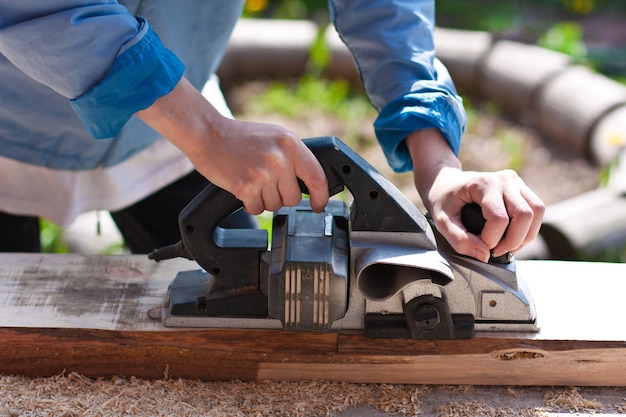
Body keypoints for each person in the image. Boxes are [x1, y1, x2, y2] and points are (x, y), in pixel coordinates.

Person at [0, 0, 543, 263]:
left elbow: (384, 7)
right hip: (12, 119)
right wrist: (207, 135)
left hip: (168, 127)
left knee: (241, 282)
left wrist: (438, 162)